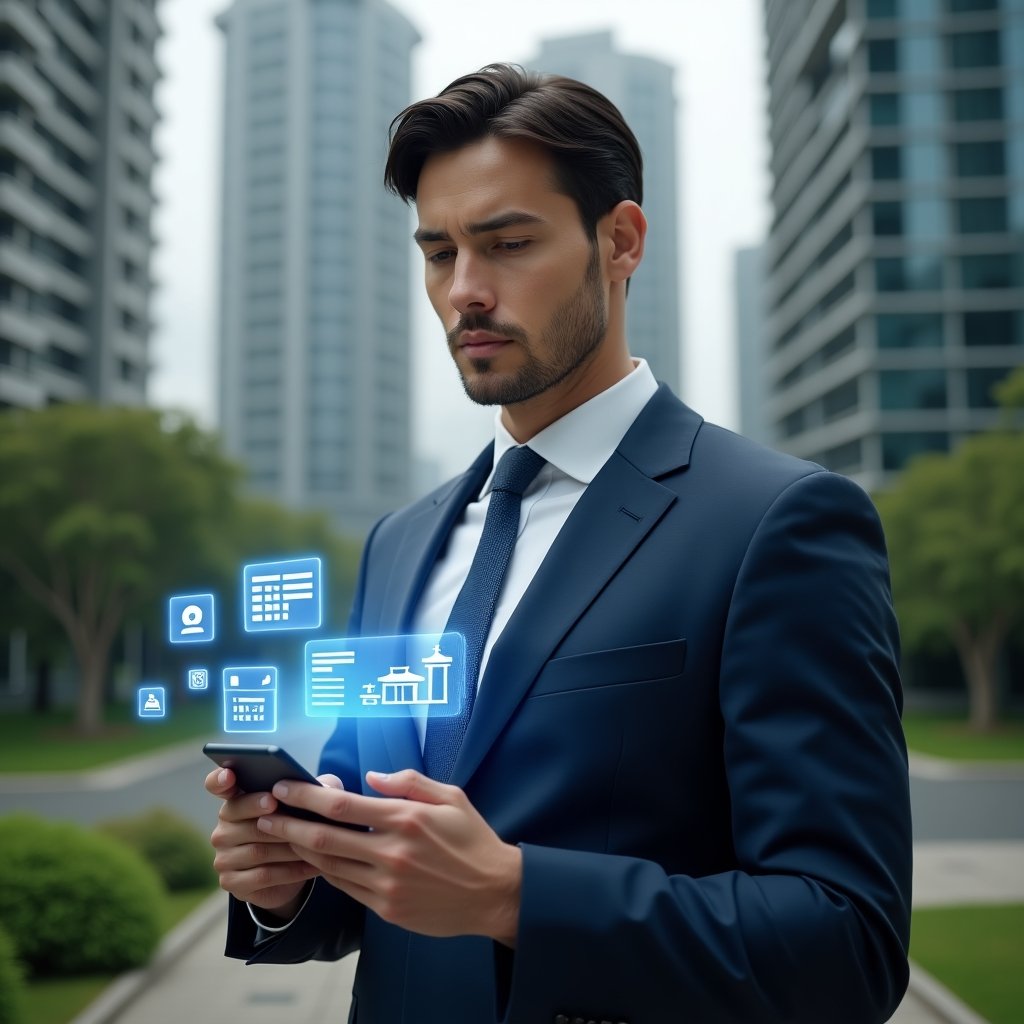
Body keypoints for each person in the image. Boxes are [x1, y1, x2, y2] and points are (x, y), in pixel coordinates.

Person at [206, 63, 912, 1023]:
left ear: (620, 242)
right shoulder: (399, 544)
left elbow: (848, 940)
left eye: (507, 244)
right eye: (439, 252)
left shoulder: (778, 523)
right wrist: (289, 881)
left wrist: (513, 896)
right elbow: (385, 877)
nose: (465, 291)